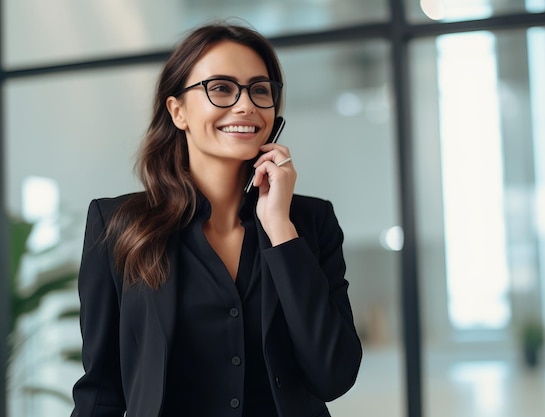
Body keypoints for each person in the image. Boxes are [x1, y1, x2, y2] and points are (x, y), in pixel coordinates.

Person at [70, 21, 362, 417]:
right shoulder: (117, 223)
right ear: (178, 111)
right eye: (221, 88)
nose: (245, 105)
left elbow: (334, 375)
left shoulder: (310, 222)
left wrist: (279, 228)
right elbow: (101, 393)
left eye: (260, 90)